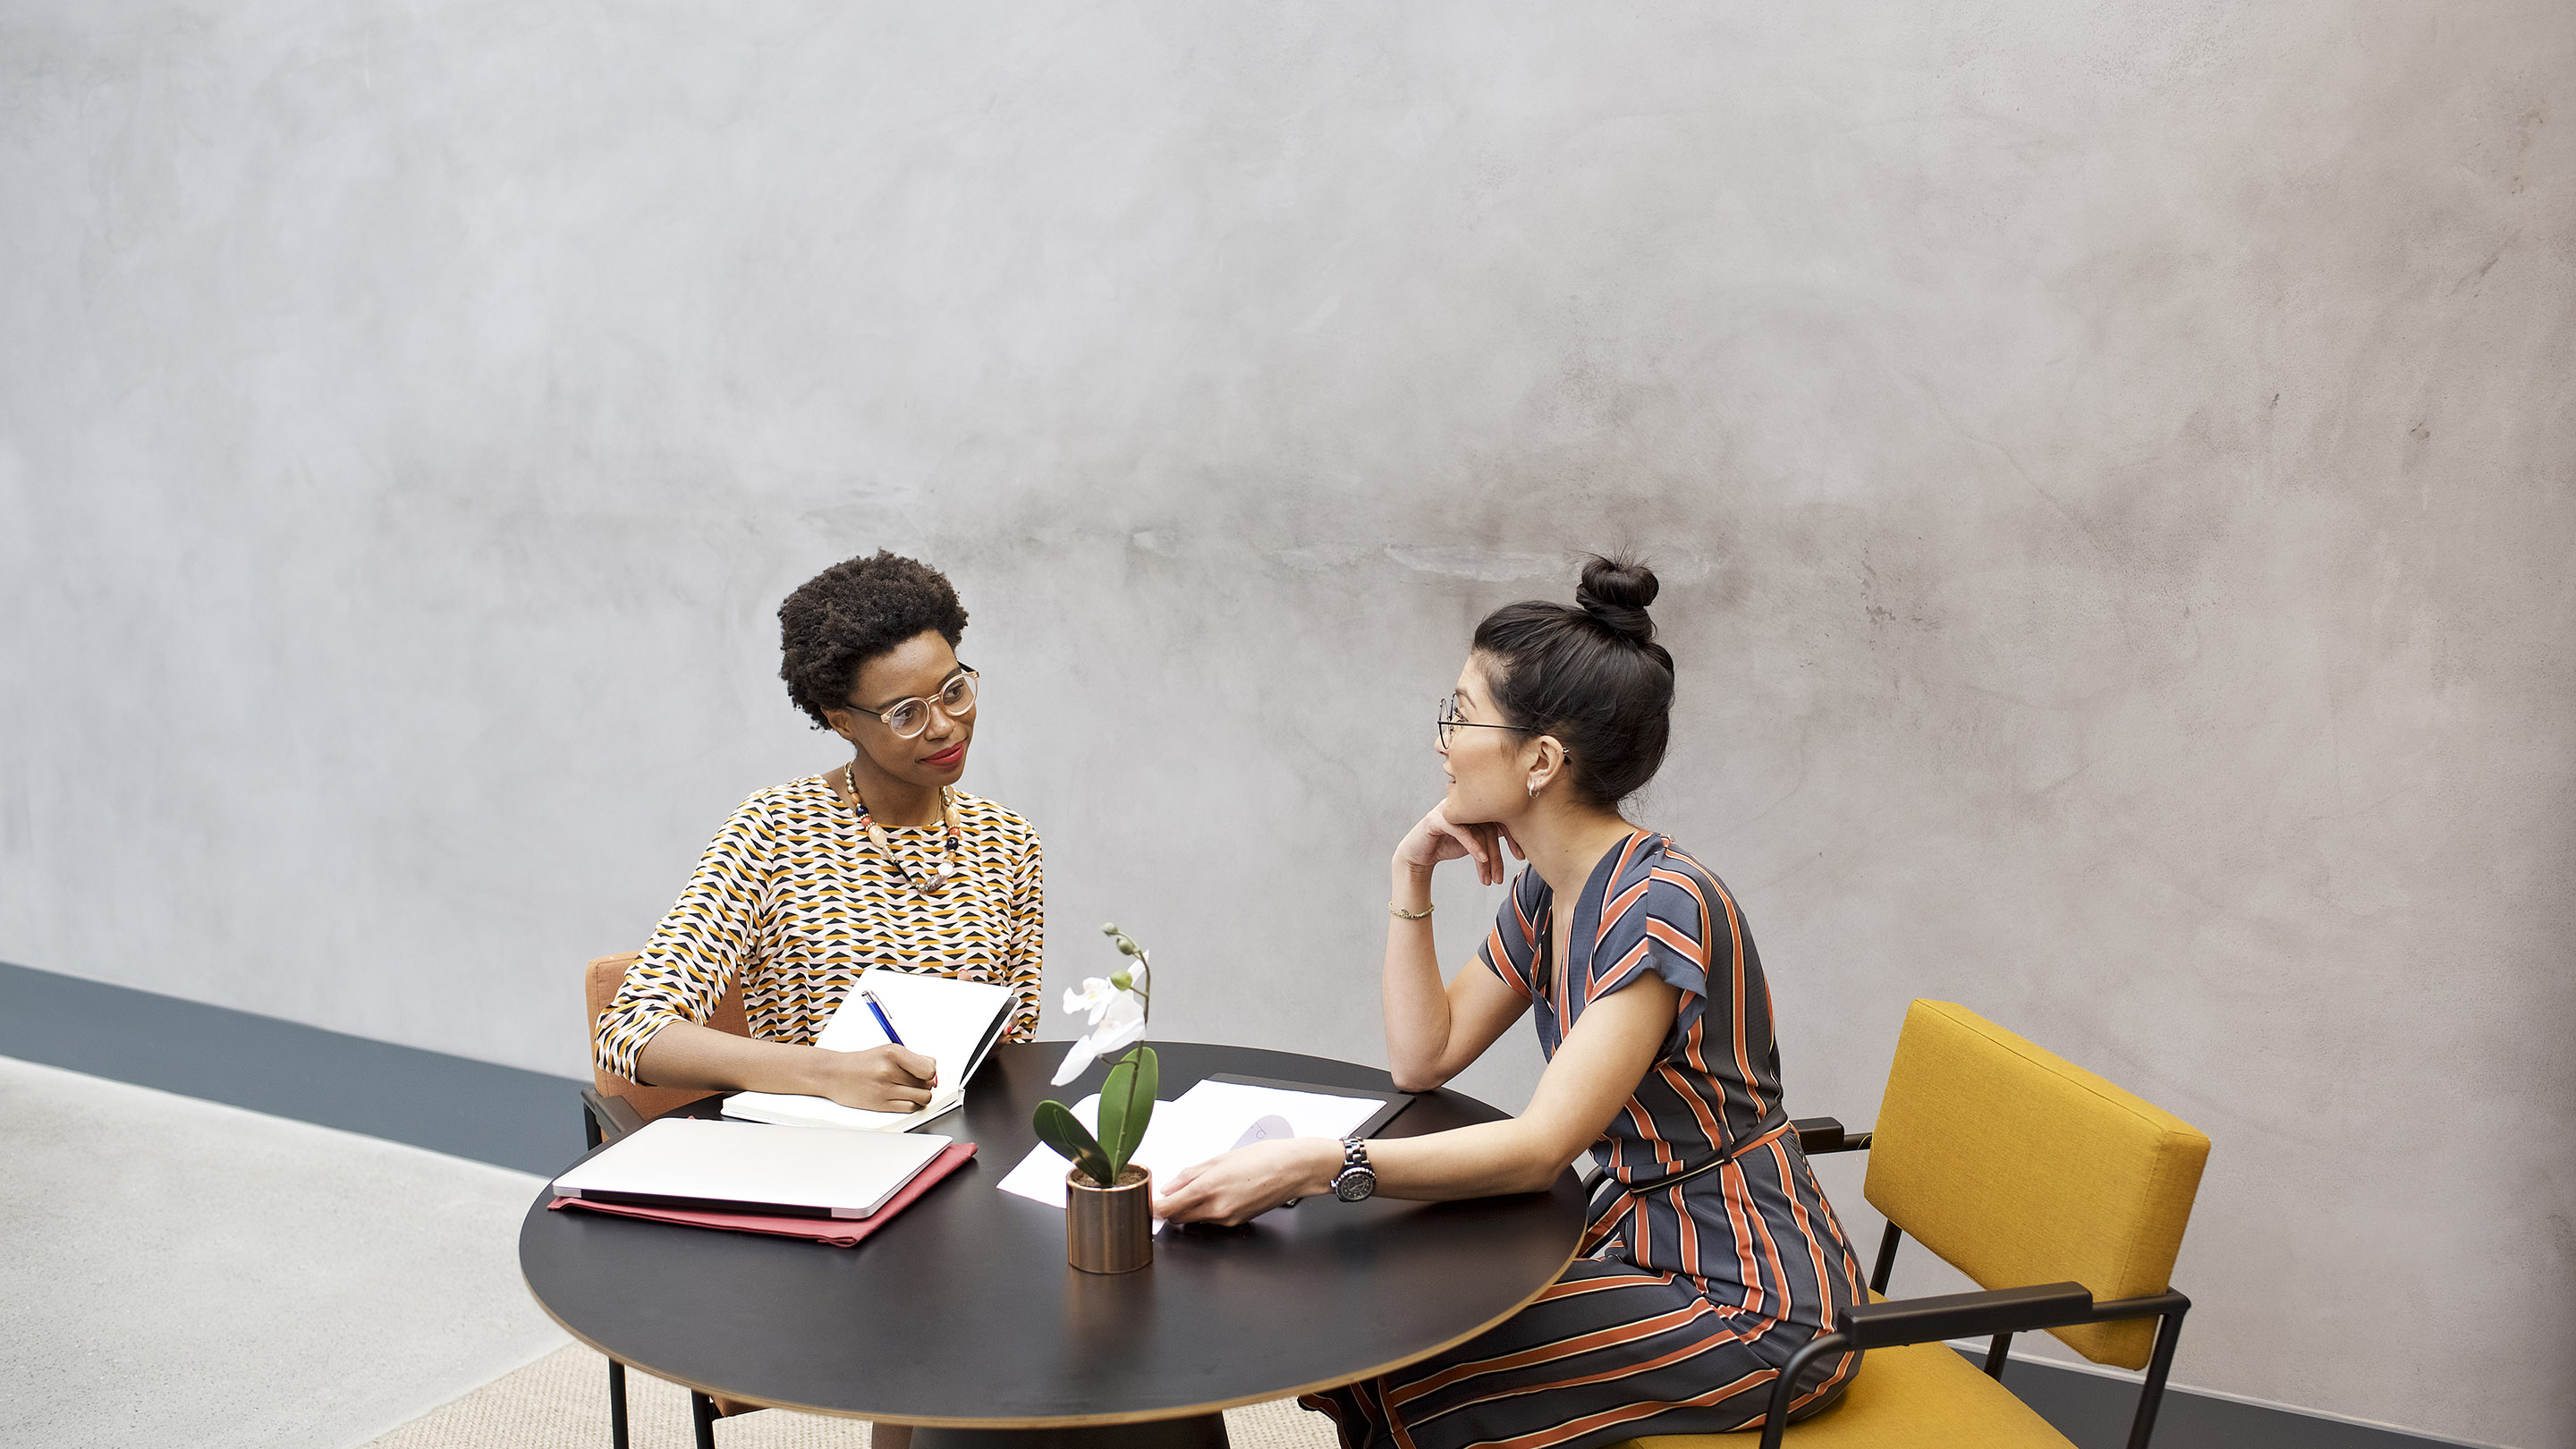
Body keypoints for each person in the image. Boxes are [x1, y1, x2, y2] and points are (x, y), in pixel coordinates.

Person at [1153, 556, 1864, 1448]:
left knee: (1419, 1350)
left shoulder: (1660, 909)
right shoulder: (1551, 893)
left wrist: (1312, 1164)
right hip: (1639, 1242)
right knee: (1387, 1315)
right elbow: (1426, 1054)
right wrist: (1409, 873)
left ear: (1540, 760)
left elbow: (1537, 1151)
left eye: (1460, 716)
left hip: (1752, 1302)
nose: (1442, 740)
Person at [595, 549, 1045, 1120]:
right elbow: (630, 1033)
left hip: (961, 1150)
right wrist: (826, 1073)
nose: (944, 726)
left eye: (953, 690)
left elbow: (1013, 1052)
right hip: (814, 1158)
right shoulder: (776, 831)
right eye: (905, 713)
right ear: (841, 721)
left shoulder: (1007, 839)